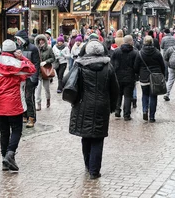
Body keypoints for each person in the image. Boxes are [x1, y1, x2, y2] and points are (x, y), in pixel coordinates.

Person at [67, 40, 119, 179]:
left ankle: (88, 165)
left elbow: (68, 82)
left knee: (86, 136)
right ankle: (94, 171)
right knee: (98, 138)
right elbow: (115, 89)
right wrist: (112, 107)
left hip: (83, 105)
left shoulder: (79, 66)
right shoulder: (108, 67)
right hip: (102, 106)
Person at [0, 40, 36, 171]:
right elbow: (32, 69)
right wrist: (22, 57)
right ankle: (10, 154)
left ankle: (4, 160)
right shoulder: (19, 64)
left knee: (4, 132)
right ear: (14, 50)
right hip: (15, 104)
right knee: (17, 130)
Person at [134, 36, 165, 122]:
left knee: (145, 95)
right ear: (152, 42)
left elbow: (136, 67)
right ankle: (152, 117)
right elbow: (162, 65)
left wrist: (139, 74)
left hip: (144, 77)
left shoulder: (140, 53)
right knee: (153, 96)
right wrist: (162, 74)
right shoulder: (157, 53)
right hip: (155, 77)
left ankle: (144, 110)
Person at [15, 30, 40, 128]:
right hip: (21, 77)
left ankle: (31, 117)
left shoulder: (33, 48)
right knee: (22, 97)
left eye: (18, 39)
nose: (17, 41)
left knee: (29, 97)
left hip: (30, 77)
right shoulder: (17, 48)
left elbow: (36, 64)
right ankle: (24, 115)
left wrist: (34, 78)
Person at [112, 35, 138, 120]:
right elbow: (136, 66)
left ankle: (117, 110)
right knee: (128, 96)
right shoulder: (134, 52)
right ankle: (126, 115)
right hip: (129, 77)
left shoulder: (116, 52)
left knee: (118, 94)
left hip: (118, 76)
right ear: (131, 42)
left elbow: (112, 64)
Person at [34, 34, 55, 111]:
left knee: (46, 88)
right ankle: (38, 104)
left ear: (45, 41)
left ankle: (48, 100)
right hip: (38, 72)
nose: (41, 42)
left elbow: (53, 58)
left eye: (42, 40)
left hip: (46, 71)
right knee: (38, 89)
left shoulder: (49, 49)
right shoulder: (35, 49)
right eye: (39, 40)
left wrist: (46, 62)